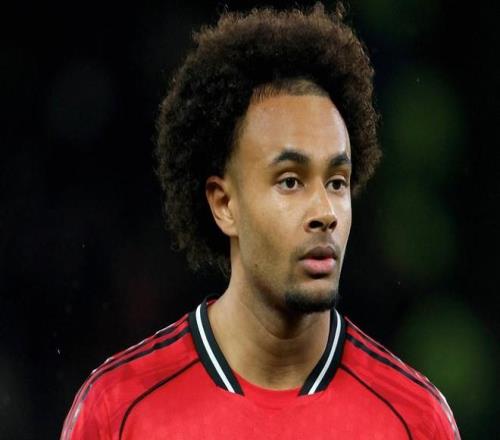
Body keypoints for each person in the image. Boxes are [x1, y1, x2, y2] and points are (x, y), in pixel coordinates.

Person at [61, 3, 460, 439]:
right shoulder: (117, 411)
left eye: (336, 182)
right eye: (290, 181)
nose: (325, 213)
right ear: (224, 204)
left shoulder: (415, 420)